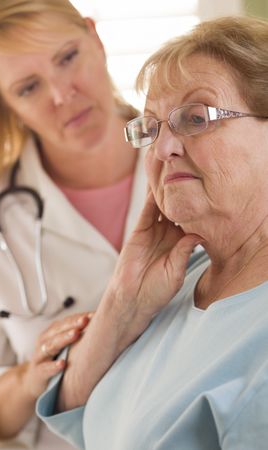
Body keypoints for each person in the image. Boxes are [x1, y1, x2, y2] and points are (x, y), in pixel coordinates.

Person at [37, 15, 268, 450]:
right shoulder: (178, 275)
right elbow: (76, 416)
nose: (163, 148)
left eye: (196, 118)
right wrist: (121, 303)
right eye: (152, 127)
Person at [0, 1, 147, 449]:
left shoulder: (202, 157)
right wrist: (30, 379)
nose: (62, 94)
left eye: (67, 57)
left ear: (96, 39)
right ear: (5, 104)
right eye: (28, 87)